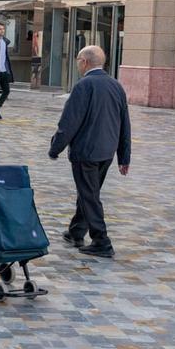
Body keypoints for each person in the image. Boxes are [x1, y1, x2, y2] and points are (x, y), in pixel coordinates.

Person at [49, 46, 131, 258]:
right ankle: (76, 231)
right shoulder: (116, 86)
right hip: (107, 152)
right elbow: (125, 124)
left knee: (89, 196)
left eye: (78, 60)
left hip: (86, 152)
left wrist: (55, 148)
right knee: (88, 192)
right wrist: (124, 156)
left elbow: (69, 122)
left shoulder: (83, 85)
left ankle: (101, 241)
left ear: (84, 61)